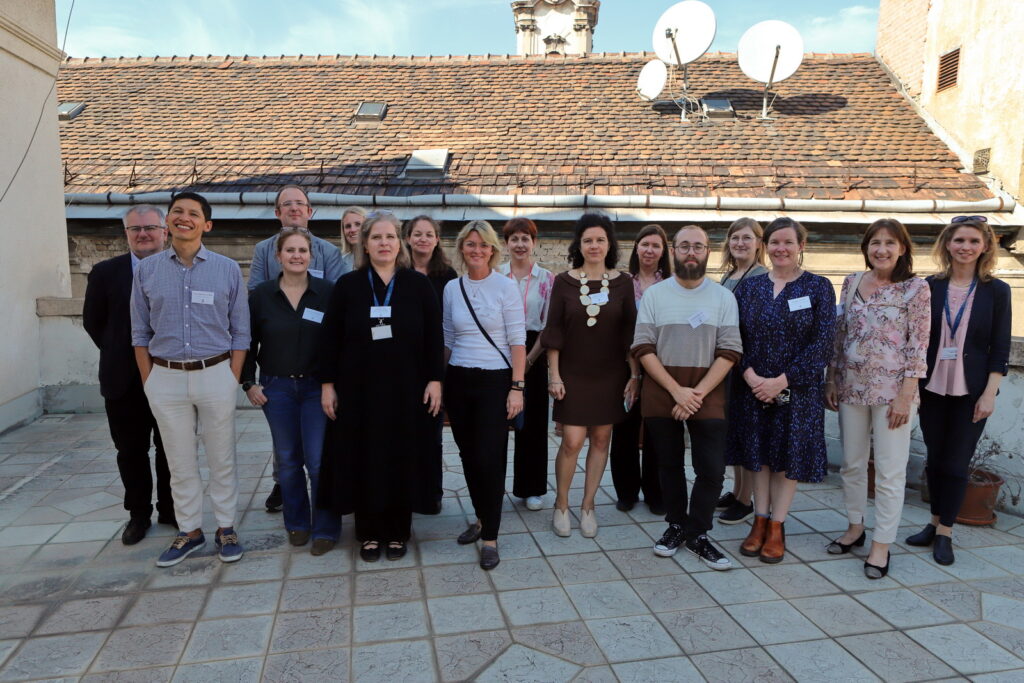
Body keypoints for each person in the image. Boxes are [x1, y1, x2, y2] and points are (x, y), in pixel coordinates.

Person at [131, 192, 250, 567]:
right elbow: (139, 333)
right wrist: (150, 381)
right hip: (165, 377)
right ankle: (190, 531)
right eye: (177, 212)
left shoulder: (227, 269)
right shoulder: (146, 271)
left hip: (215, 373)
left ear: (206, 225)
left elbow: (240, 332)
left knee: (221, 457)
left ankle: (226, 527)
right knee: (179, 460)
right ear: (167, 221)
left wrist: (231, 378)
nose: (184, 218)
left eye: (193, 214)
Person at [318, 212, 444, 562]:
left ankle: (398, 531)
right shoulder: (349, 286)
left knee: (401, 457)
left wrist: (435, 379)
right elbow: (330, 339)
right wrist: (328, 385)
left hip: (407, 389)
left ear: (400, 243)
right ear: (365, 244)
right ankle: (369, 532)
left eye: (390, 237)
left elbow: (435, 335)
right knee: (365, 457)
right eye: (376, 238)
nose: (384, 243)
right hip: (358, 390)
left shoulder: (417, 285)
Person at [726, 217, 835, 564]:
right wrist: (751, 376)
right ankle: (758, 521)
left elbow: (822, 344)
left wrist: (781, 381)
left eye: (788, 242)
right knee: (757, 458)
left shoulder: (818, 288)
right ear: (765, 246)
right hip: (752, 387)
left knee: (785, 459)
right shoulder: (750, 288)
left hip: (796, 391)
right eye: (774, 243)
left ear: (801, 246)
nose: (781, 249)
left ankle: (776, 526)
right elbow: (733, 336)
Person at [825, 219, 930, 578]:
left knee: (889, 471)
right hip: (851, 387)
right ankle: (855, 528)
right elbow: (840, 334)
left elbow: (918, 346)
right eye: (875, 243)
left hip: (892, 395)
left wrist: (906, 395)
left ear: (903, 248)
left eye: (890, 243)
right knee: (852, 464)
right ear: (866, 247)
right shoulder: (852, 282)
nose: (881, 249)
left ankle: (882, 545)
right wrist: (832, 378)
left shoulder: (916, 289)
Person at [633, 225, 741, 568]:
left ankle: (698, 533)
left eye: (698, 246)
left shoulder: (723, 297)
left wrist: (695, 394)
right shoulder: (655, 295)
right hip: (663, 391)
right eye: (684, 246)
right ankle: (677, 524)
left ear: (708, 251)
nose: (691, 252)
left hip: (706, 391)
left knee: (711, 469)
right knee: (668, 465)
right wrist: (676, 391)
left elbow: (729, 351)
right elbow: (643, 348)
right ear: (673, 251)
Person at [905, 216, 1011, 566]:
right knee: (935, 459)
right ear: (947, 244)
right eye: (959, 240)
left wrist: (989, 393)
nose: (965, 247)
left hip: (972, 391)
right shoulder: (928, 287)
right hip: (932, 388)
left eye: (973, 241)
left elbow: (999, 346)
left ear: (985, 247)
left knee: (955, 462)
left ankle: (946, 532)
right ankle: (933, 524)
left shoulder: (997, 291)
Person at [248, 185, 348, 513]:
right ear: (277, 212)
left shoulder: (329, 252)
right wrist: (248, 379)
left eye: (300, 204)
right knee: (286, 445)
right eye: (286, 204)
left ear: (310, 211)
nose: (293, 209)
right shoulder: (264, 249)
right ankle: (284, 484)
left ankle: (323, 506)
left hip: (317, 367)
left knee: (318, 448)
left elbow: (335, 303)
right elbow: (256, 301)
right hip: (278, 362)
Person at [242, 228, 341, 556]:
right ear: (278, 256)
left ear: (311, 255)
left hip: (317, 388)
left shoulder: (327, 292)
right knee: (287, 461)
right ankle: (297, 523)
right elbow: (246, 341)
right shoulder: (261, 295)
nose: (297, 255)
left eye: (303, 250)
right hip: (277, 388)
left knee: (317, 461)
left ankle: (326, 526)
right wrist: (248, 382)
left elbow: (338, 343)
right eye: (290, 250)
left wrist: (333, 384)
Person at [83, 205, 175, 545]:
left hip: (169, 377)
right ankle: (139, 514)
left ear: (165, 231)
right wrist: (120, 355)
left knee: (170, 449)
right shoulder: (106, 273)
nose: (143, 234)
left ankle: (170, 508)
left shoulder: (179, 269)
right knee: (131, 451)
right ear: (126, 234)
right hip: (123, 382)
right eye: (135, 229)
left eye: (151, 227)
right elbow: (95, 324)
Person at [543, 213, 639, 538]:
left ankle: (588, 506)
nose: (594, 245)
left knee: (601, 439)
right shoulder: (564, 281)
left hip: (610, 374)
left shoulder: (623, 282)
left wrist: (634, 374)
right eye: (588, 240)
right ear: (579, 245)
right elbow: (553, 332)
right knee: (571, 441)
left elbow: (630, 334)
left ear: (609, 244)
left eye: (600, 239)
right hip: (571, 373)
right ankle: (561, 505)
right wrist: (554, 375)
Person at [443, 220, 526, 570]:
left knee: (491, 459)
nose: (477, 250)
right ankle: (480, 518)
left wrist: (516, 387)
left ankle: (490, 535)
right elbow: (448, 337)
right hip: (459, 379)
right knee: (468, 455)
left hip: (496, 380)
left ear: (493, 250)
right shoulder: (451, 288)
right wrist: (440, 383)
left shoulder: (505, 287)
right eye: (470, 244)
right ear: (462, 248)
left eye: (483, 245)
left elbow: (517, 339)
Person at [610, 224, 669, 515]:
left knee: (659, 429)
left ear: (663, 251)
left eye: (656, 245)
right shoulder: (622, 283)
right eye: (644, 244)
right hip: (625, 365)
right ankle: (626, 492)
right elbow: (618, 329)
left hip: (662, 366)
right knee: (624, 430)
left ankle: (656, 493)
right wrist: (634, 372)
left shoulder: (671, 283)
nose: (649, 250)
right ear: (636, 248)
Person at [498, 217, 555, 512]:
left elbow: (548, 326)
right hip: (498, 352)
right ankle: (493, 486)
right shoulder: (496, 275)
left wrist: (530, 359)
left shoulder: (546, 279)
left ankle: (531, 488)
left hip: (534, 348)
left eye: (525, 238)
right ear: (505, 243)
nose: (520, 244)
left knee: (532, 425)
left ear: (534, 242)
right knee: (495, 424)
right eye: (514, 239)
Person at [716, 217, 768, 525]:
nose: (740, 243)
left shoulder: (761, 277)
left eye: (747, 238)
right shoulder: (728, 276)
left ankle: (746, 500)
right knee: (734, 432)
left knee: (749, 434)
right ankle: (736, 492)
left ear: (759, 243)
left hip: (749, 364)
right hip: (729, 365)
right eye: (735, 238)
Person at [404, 214, 457, 514]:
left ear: (437, 240)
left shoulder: (447, 277)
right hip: (402, 365)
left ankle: (430, 493)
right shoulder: (397, 272)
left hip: (435, 366)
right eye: (417, 233)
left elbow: (450, 324)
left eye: (429, 234)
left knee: (430, 434)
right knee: (403, 432)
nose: (423, 239)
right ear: (408, 238)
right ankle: (406, 490)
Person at [340, 206, 367, 272]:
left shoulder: (378, 259)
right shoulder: (340, 262)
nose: (352, 230)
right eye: (348, 226)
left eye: (358, 224)